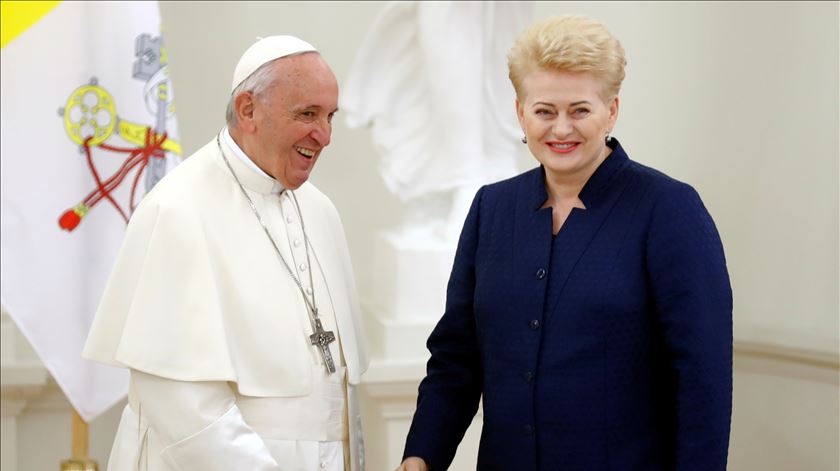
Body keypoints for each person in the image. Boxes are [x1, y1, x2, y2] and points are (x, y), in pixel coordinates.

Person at [398, 15, 732, 471]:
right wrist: (420, 457)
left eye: (580, 110)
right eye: (544, 111)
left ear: (611, 110)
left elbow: (702, 381)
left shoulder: (670, 211)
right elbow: (456, 359)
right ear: (520, 112)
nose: (560, 129)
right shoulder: (491, 209)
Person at [83, 35, 368, 471]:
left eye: (330, 116)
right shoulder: (177, 211)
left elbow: (339, 399)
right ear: (248, 109)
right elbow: (183, 409)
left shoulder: (321, 212)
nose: (325, 135)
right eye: (307, 114)